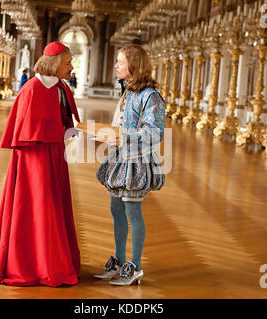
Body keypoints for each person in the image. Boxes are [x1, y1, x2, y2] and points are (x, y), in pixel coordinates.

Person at [0, 41, 81, 287]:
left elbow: (64, 121)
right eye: (68, 63)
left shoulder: (61, 88)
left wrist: (71, 130)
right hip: (33, 160)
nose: (71, 67)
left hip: (55, 157)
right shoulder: (32, 89)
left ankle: (54, 260)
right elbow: (24, 131)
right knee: (37, 205)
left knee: (55, 205)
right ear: (55, 63)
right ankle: (32, 263)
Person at [94, 45, 166, 286]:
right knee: (116, 209)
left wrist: (124, 137)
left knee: (132, 211)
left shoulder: (150, 96)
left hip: (137, 160)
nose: (116, 66)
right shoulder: (128, 91)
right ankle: (120, 260)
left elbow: (155, 133)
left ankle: (135, 266)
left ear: (134, 66)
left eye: (120, 62)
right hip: (120, 157)